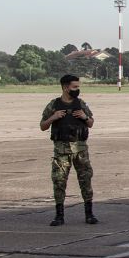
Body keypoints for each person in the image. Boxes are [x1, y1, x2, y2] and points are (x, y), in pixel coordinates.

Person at [40, 74, 98, 226]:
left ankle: (89, 214)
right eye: (74, 87)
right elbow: (43, 126)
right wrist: (53, 117)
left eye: (78, 87)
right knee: (59, 182)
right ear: (65, 87)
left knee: (85, 180)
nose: (77, 90)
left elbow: (91, 123)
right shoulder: (54, 105)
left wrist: (85, 117)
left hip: (80, 150)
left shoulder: (81, 104)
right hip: (61, 151)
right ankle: (59, 216)